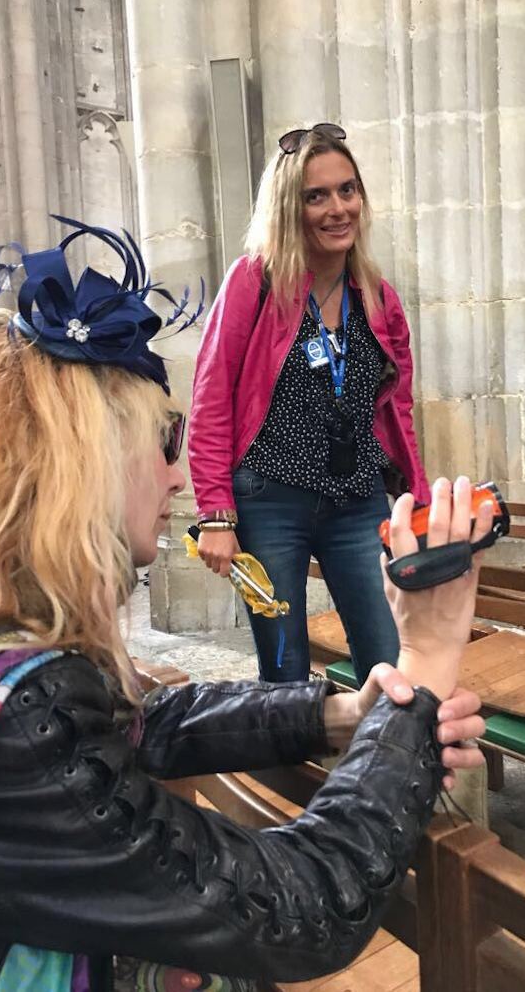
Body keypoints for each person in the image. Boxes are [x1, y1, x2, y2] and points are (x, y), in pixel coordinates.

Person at [0, 219, 487, 992]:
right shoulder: (16, 716)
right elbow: (303, 908)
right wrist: (429, 655)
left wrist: (335, 714)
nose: (178, 479)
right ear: (84, 464)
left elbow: (139, 721)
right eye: (166, 438)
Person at [189, 122, 430, 686]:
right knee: (284, 668)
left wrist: (414, 498)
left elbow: (399, 411)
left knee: (388, 656)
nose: (337, 208)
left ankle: (383, 770)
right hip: (271, 497)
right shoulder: (256, 280)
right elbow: (212, 396)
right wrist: (216, 514)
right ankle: (285, 771)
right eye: (316, 196)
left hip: (358, 498)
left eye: (347, 190)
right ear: (289, 207)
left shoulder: (376, 294)